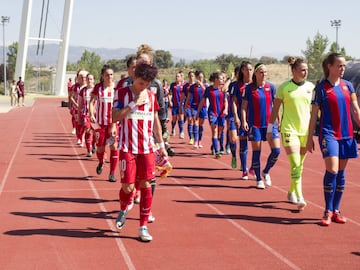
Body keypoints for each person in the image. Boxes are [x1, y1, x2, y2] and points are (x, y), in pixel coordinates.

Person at [112, 61, 167, 242]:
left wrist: (161, 145)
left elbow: (156, 122)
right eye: (141, 83)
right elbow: (114, 116)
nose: (143, 87)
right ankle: (123, 208)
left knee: (146, 185)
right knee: (128, 187)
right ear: (134, 77)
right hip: (127, 148)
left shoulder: (151, 96)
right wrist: (133, 104)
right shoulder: (121, 93)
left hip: (147, 149)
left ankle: (142, 226)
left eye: (147, 84)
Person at [306, 53, 360, 225]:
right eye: (339, 65)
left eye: (344, 66)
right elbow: (314, 114)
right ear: (330, 66)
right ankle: (327, 210)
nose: (342, 68)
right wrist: (309, 137)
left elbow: (355, 109)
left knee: (341, 173)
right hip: (329, 134)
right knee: (333, 169)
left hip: (346, 134)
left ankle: (336, 210)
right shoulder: (321, 88)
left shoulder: (349, 86)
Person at [268, 57, 314, 210]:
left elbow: (315, 111)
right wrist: (270, 129)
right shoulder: (284, 87)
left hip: (305, 131)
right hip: (289, 130)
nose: (305, 72)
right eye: (302, 69)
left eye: (306, 69)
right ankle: (300, 196)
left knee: (299, 165)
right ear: (294, 70)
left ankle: (291, 191)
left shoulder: (311, 87)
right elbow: (275, 109)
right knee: (295, 163)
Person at [241, 63, 280, 189]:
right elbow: (243, 107)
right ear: (256, 74)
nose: (264, 74)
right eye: (261, 72)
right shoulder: (249, 88)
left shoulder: (271, 87)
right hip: (255, 125)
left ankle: (266, 171)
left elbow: (275, 106)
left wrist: (278, 120)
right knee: (257, 152)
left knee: (276, 151)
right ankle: (258, 179)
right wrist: (244, 121)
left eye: (265, 72)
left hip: (270, 124)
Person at [89, 65, 119, 183]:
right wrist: (91, 114)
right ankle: (101, 162)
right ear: (102, 76)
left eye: (111, 74)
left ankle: (112, 173)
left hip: (113, 123)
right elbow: (91, 102)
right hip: (100, 124)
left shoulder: (116, 88)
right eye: (107, 75)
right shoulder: (98, 88)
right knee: (100, 148)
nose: (109, 77)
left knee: (114, 147)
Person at [196, 71, 228, 158]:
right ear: (216, 79)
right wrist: (198, 112)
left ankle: (214, 146)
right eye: (221, 78)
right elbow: (203, 101)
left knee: (219, 133)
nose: (222, 80)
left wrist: (225, 109)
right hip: (212, 113)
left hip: (221, 114)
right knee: (214, 131)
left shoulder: (223, 89)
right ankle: (217, 152)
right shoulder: (209, 89)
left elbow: (226, 101)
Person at [232, 61, 253, 178]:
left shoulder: (255, 84)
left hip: (255, 119)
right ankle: (244, 169)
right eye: (247, 70)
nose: (249, 72)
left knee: (257, 144)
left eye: (251, 69)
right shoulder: (237, 86)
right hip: (243, 118)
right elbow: (234, 102)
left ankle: (254, 167)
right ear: (242, 71)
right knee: (243, 144)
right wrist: (236, 116)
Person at [186, 70, 207, 148]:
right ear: (196, 78)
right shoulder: (192, 87)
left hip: (203, 107)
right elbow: (188, 97)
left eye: (202, 77)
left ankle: (199, 141)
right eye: (199, 77)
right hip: (194, 106)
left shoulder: (205, 86)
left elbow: (206, 91)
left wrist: (201, 85)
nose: (201, 79)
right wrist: (185, 106)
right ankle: (195, 141)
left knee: (201, 124)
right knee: (196, 122)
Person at [78, 73, 95, 157]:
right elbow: (80, 104)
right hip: (86, 114)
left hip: (96, 115)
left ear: (93, 80)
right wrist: (78, 116)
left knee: (96, 133)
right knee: (88, 131)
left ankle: (94, 144)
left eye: (91, 79)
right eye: (88, 79)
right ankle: (89, 150)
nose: (89, 81)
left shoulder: (97, 90)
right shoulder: (83, 91)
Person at [180, 71, 196, 144]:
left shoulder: (197, 85)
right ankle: (191, 137)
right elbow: (183, 96)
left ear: (194, 77)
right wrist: (181, 105)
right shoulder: (185, 86)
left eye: (192, 76)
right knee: (189, 120)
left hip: (195, 105)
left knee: (195, 121)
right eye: (190, 76)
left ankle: (195, 136)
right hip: (188, 105)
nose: (191, 77)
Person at [169, 71, 186, 138]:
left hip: (181, 104)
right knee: (174, 118)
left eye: (178, 76)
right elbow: (170, 94)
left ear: (181, 78)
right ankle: (173, 129)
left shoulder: (183, 85)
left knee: (181, 118)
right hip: (174, 104)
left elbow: (185, 94)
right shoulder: (172, 85)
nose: (177, 77)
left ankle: (181, 132)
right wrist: (170, 101)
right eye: (176, 76)